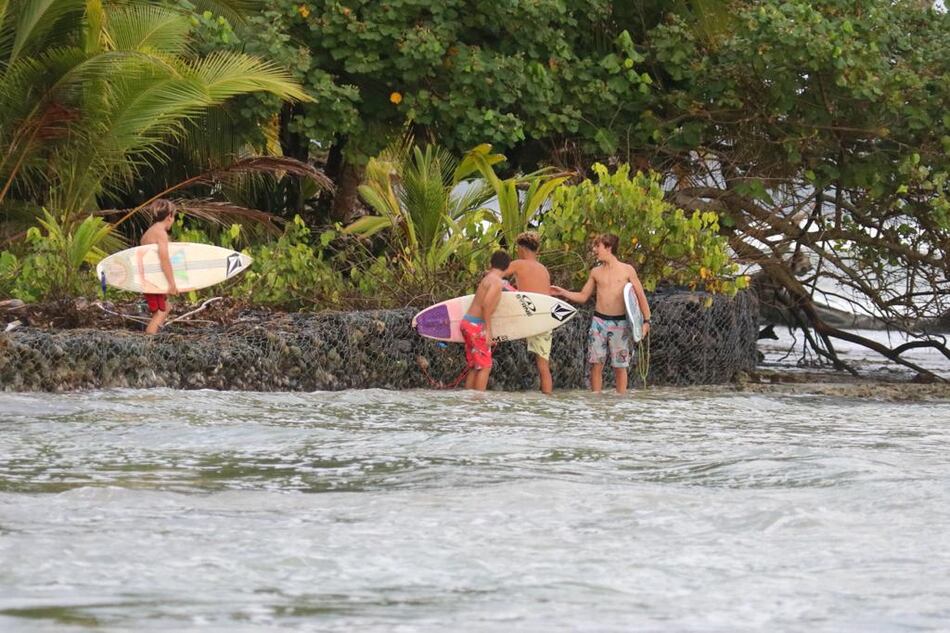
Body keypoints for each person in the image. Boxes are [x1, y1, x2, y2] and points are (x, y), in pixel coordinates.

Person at [550, 233, 651, 394]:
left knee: (620, 366)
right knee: (596, 365)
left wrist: (646, 322)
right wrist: (562, 292)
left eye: (598, 246)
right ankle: (596, 401)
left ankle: (620, 401)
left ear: (608, 248)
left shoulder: (627, 270)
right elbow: (583, 296)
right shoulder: (595, 272)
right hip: (599, 322)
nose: (594, 249)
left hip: (621, 324)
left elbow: (640, 296)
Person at [504, 231, 554, 394]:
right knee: (543, 366)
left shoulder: (518, 264)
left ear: (522, 249)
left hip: (526, 316)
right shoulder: (544, 269)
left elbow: (496, 275)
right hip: (544, 318)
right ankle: (547, 398)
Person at [462, 250, 511, 390]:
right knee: (485, 366)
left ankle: (469, 400)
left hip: (467, 323)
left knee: (474, 366)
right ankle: (478, 403)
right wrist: (488, 331)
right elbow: (486, 305)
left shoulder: (488, 278)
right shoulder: (496, 282)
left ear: (491, 264)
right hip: (476, 326)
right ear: (507, 268)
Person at [140, 199, 179, 335]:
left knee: (166, 307)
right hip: (153, 280)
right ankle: (149, 342)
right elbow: (164, 260)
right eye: (174, 217)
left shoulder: (148, 233)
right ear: (169, 216)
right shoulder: (160, 233)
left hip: (149, 278)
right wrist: (171, 283)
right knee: (160, 312)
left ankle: (151, 338)